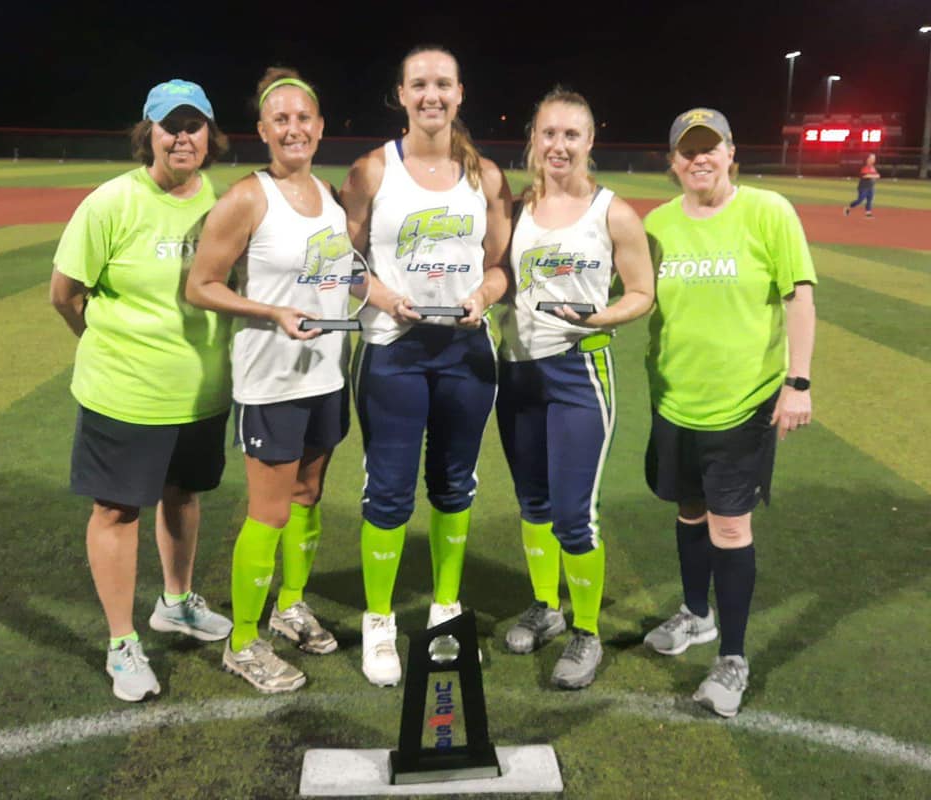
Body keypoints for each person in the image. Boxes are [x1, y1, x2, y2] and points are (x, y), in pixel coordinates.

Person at [49, 79, 233, 702]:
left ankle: (175, 604)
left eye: (194, 125)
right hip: (124, 392)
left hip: (202, 391)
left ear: (210, 134)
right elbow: (65, 295)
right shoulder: (110, 204)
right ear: (148, 133)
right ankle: (122, 643)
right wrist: (109, 347)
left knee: (183, 496)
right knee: (116, 510)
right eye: (169, 125)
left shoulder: (223, 201)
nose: (183, 136)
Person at [340, 45, 512, 687]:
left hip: (465, 352)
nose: (431, 95)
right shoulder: (372, 171)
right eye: (419, 85)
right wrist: (380, 295)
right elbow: (341, 260)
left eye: (442, 84)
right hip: (392, 350)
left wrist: (483, 296)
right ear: (402, 94)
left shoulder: (485, 177)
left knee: (453, 484)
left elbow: (501, 265)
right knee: (387, 489)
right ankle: (379, 620)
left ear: (460, 93)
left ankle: (445, 609)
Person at [642, 108, 817, 717]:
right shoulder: (658, 224)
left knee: (730, 527)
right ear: (673, 162)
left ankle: (733, 659)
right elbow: (631, 293)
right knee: (690, 512)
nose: (699, 159)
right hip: (672, 401)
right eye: (688, 151)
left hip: (743, 405)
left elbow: (799, 295)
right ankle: (696, 615)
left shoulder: (769, 212)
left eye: (709, 148)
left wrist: (798, 381)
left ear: (730, 152)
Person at [187, 68, 353, 693]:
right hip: (272, 381)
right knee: (269, 511)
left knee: (308, 495)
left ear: (318, 126)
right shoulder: (248, 198)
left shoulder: (330, 196)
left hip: (325, 374)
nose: (293, 128)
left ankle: (291, 604)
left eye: (303, 118)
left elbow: (344, 274)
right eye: (280, 119)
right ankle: (244, 642)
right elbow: (200, 284)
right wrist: (272, 312)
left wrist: (386, 297)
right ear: (262, 131)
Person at [495, 89, 655, 689]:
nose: (558, 145)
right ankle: (546, 607)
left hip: (578, 372)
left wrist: (598, 318)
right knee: (532, 501)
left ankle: (586, 632)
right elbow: (495, 277)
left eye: (571, 135)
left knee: (573, 514)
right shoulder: (515, 210)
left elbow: (641, 292)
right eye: (548, 133)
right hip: (516, 369)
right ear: (533, 139)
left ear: (590, 141)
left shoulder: (612, 212)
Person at [844, 153, 880, 218]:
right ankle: (848, 207)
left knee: (870, 200)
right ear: (868, 159)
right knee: (860, 200)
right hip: (863, 187)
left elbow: (878, 175)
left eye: (874, 158)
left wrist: (872, 175)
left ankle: (868, 213)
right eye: (872, 158)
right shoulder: (864, 167)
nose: (873, 160)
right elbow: (865, 176)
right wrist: (873, 175)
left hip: (871, 187)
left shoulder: (873, 168)